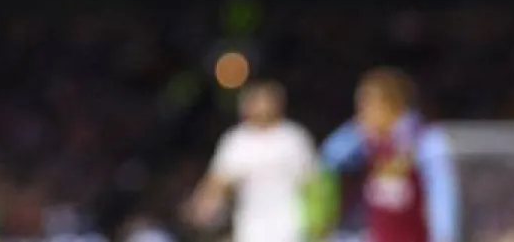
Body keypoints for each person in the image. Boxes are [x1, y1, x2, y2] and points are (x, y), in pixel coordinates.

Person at [313, 67, 460, 242]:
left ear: (391, 105)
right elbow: (328, 158)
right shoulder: (367, 141)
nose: (361, 114)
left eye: (366, 105)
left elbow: (442, 199)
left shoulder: (426, 141)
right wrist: (355, 129)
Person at [185, 80, 317, 242]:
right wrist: (203, 203)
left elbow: (313, 182)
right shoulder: (237, 141)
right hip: (251, 228)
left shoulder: (294, 138)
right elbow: (219, 179)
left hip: (292, 226)